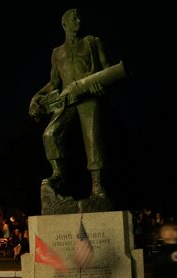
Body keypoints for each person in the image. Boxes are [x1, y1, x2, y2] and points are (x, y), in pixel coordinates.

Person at [29, 8, 110, 198]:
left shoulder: (92, 42)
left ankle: (97, 186)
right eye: (75, 19)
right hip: (68, 100)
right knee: (50, 134)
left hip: (88, 97)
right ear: (64, 24)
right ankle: (58, 174)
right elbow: (54, 83)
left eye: (80, 18)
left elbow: (107, 70)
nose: (79, 22)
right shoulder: (57, 53)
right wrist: (36, 96)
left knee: (93, 139)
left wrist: (101, 85)